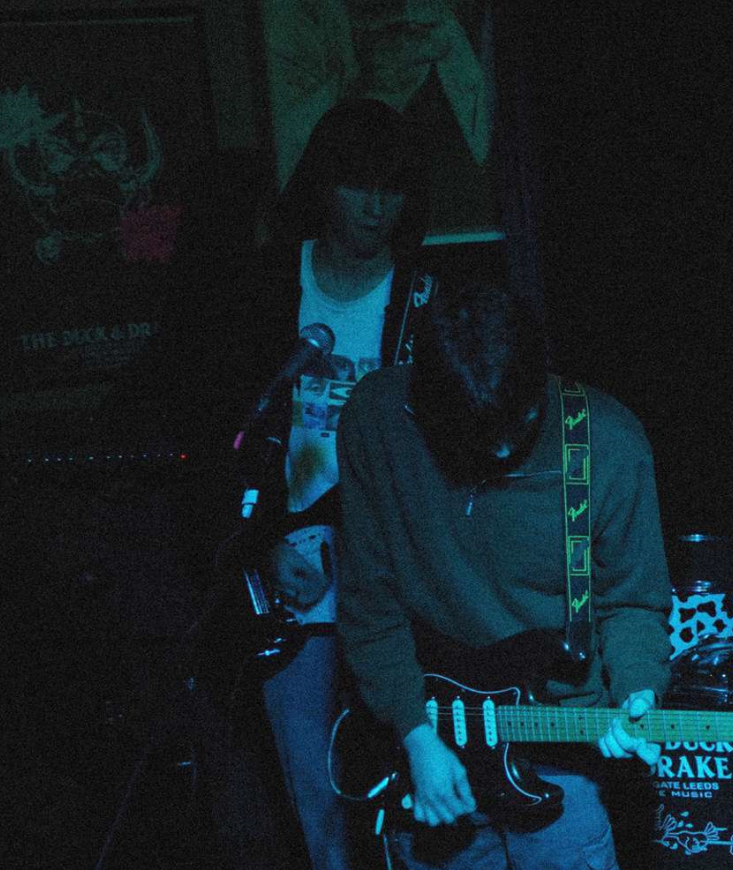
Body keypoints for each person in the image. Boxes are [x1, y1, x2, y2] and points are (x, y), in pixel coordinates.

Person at [336, 278, 672, 868]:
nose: (495, 453)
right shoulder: (377, 418)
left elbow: (632, 601)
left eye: (517, 425)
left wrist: (637, 689)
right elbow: (369, 601)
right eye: (467, 432)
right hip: (425, 733)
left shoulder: (608, 443)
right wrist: (415, 733)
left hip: (560, 739)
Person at [240, 96, 439, 870]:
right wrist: (261, 544)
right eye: (360, 185)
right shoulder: (267, 286)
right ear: (325, 185)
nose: (376, 207)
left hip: (391, 576)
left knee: (406, 780)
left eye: (392, 190)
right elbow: (219, 432)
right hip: (289, 572)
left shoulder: (424, 296)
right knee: (311, 787)